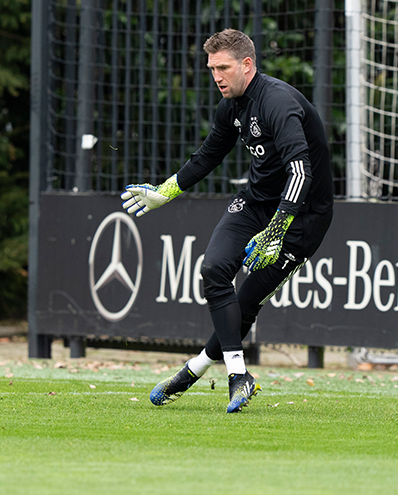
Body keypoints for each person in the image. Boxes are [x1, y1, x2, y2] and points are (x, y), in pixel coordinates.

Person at [120, 29, 333, 413]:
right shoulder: (230, 105)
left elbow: (300, 172)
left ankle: (194, 369)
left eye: (223, 67)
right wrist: (164, 192)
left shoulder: (278, 103)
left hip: (302, 217)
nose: (217, 76)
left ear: (247, 64)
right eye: (212, 68)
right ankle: (239, 375)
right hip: (255, 204)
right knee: (215, 268)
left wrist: (278, 228)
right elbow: (207, 155)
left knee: (247, 300)